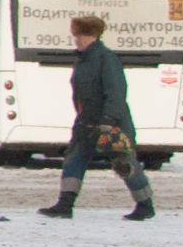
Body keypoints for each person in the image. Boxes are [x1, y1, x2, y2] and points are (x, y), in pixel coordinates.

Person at [39, 12, 155, 222]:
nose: (76, 40)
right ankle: (65, 203)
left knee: (124, 163)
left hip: (111, 124)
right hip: (86, 122)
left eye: (80, 36)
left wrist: (109, 120)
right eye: (76, 35)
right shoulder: (83, 60)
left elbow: (116, 92)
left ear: (93, 36)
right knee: (74, 159)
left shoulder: (106, 58)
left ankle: (145, 204)